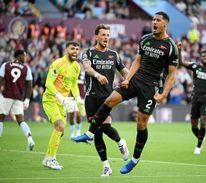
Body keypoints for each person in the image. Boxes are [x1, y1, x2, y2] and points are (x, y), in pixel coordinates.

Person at [72, 11, 178, 174]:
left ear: (165, 24)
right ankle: (89, 133)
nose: (154, 22)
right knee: (110, 101)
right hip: (136, 80)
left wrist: (163, 94)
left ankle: (134, 159)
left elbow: (172, 74)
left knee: (141, 123)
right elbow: (137, 61)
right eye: (153, 20)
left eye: (158, 20)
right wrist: (128, 78)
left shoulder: (170, 46)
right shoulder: (145, 40)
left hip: (151, 87)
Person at [72, 24, 130, 176]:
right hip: (91, 97)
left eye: (108, 35)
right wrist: (97, 75)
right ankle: (106, 166)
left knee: (103, 126)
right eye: (103, 35)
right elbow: (87, 68)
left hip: (107, 97)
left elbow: (124, 71)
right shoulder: (89, 52)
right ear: (96, 36)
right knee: (97, 132)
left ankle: (120, 142)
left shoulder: (114, 55)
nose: (106, 38)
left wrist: (130, 80)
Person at [42, 41, 85, 170]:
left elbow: (73, 84)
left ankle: (47, 158)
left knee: (60, 131)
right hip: (50, 99)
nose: (75, 51)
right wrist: (59, 96)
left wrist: (78, 99)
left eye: (77, 49)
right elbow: (48, 83)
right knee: (60, 126)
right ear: (67, 49)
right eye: (72, 48)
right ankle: (51, 159)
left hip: (62, 103)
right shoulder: (57, 63)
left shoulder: (77, 66)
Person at [177, 42, 206, 155]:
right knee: (193, 125)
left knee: (203, 122)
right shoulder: (195, 66)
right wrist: (179, 50)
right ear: (200, 58)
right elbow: (181, 62)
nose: (204, 58)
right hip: (195, 99)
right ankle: (201, 138)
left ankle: (198, 146)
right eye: (202, 56)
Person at [0, 49, 35, 150]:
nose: (25, 58)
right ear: (19, 56)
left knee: (0, 119)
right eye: (24, 56)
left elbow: (0, 80)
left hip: (6, 96)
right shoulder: (26, 68)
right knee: (21, 120)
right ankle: (30, 139)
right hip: (18, 97)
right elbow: (29, 85)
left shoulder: (5, 65)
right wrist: (27, 99)